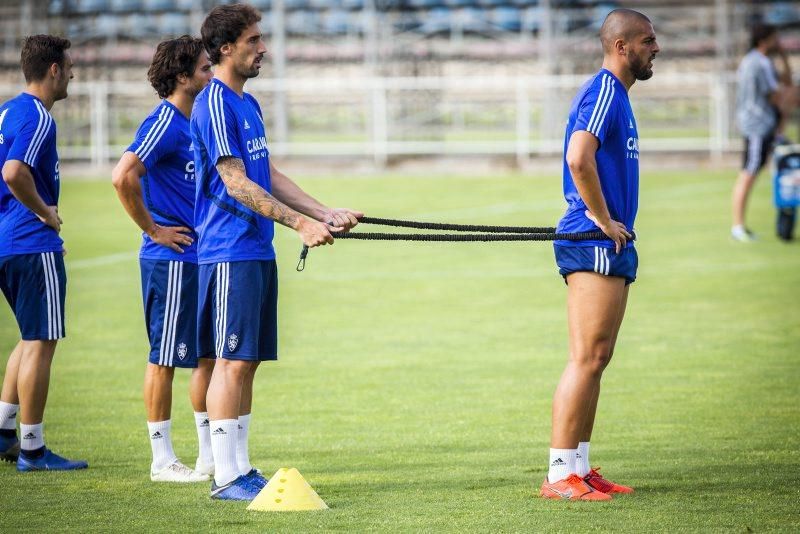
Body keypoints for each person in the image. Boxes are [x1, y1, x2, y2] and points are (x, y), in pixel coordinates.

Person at [192, 3, 362, 500]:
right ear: (225, 48)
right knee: (231, 361)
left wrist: (322, 211)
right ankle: (225, 476)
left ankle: (241, 469)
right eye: (253, 40)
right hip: (229, 251)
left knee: (248, 361)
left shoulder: (248, 102)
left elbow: (267, 173)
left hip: (255, 251)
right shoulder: (217, 101)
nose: (263, 48)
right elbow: (235, 181)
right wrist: (298, 224)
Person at [542, 9, 659, 501]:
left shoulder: (619, 97)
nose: (656, 48)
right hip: (594, 242)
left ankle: (580, 467)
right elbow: (577, 156)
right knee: (586, 358)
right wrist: (604, 219)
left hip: (608, 243)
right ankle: (558, 476)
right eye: (648, 41)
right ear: (621, 46)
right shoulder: (606, 90)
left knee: (598, 358)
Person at [111, 36, 215, 483]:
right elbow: (123, 175)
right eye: (205, 68)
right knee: (165, 358)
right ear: (181, 76)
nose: (211, 74)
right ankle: (162, 460)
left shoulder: (196, 122)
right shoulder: (164, 122)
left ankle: (210, 455)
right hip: (169, 259)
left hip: (202, 258)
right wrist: (152, 229)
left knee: (206, 358)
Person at [0, 35, 87, 471]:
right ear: (54, 69)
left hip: (6, 241)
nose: (72, 73)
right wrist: (47, 216)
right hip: (28, 243)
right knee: (41, 340)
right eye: (69, 66)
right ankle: (32, 449)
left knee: (28, 336)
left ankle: (3, 431)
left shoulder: (8, 111)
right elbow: (13, 172)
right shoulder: (37, 116)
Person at [731, 24, 797, 242]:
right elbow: (778, 93)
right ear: (765, 40)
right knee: (749, 172)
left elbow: (784, 82)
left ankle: (743, 225)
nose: (777, 43)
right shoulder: (761, 62)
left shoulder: (753, 60)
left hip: (757, 124)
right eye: (774, 39)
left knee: (757, 170)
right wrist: (787, 106)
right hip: (758, 125)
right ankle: (738, 226)